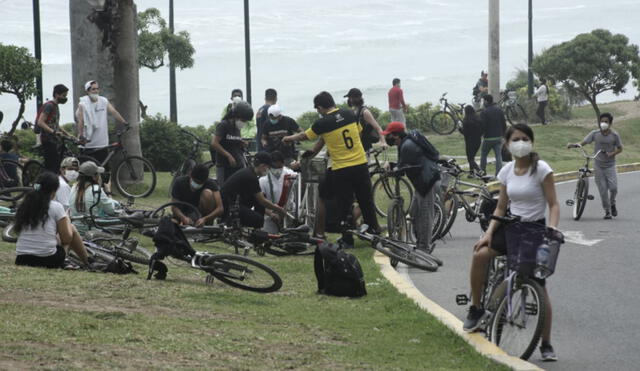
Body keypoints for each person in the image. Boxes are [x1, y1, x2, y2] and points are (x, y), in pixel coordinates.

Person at [463, 123, 560, 362]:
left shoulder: (542, 170)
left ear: (532, 142)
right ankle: (476, 308)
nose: (520, 142)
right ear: (507, 145)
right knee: (479, 255)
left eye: (525, 138)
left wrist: (552, 229)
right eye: (516, 139)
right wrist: (488, 233)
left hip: (534, 230)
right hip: (510, 227)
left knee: (539, 284)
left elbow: (553, 204)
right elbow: (501, 205)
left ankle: (546, 343)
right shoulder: (506, 171)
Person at [283, 91, 380, 248]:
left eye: (318, 109)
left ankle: (347, 239)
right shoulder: (350, 114)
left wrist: (288, 138)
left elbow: (305, 136)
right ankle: (374, 232)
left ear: (321, 107)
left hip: (342, 168)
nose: (318, 112)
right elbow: (358, 131)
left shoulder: (322, 123)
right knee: (366, 199)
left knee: (344, 204)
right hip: (361, 164)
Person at [382, 121, 441, 252]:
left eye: (389, 135)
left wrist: (393, 169)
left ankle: (424, 248)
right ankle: (420, 240)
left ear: (396, 135)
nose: (387, 138)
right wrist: (391, 165)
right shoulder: (404, 143)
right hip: (422, 181)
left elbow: (402, 169)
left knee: (424, 215)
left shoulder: (407, 146)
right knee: (414, 213)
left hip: (427, 182)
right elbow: (403, 164)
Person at [14, 172, 89, 268]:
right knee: (71, 228)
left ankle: (86, 261)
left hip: (22, 259)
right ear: (54, 190)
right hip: (47, 260)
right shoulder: (55, 206)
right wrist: (67, 221)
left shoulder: (24, 205)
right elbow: (66, 239)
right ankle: (87, 262)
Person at [567, 112, 623, 219]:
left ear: (610, 123)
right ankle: (607, 211)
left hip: (610, 165)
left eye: (606, 122)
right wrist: (574, 145)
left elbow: (620, 148)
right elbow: (584, 142)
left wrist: (612, 153)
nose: (603, 123)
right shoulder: (595, 133)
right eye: (602, 121)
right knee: (603, 190)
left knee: (613, 188)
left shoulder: (614, 135)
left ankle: (612, 203)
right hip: (598, 166)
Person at [76, 80, 128, 189]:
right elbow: (80, 121)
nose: (96, 91)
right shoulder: (83, 104)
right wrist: (81, 135)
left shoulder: (103, 101)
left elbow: (113, 112)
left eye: (97, 88)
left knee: (104, 170)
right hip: (88, 143)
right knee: (87, 171)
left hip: (102, 142)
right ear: (87, 91)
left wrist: (124, 122)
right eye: (93, 89)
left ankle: (105, 191)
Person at [220, 151, 286, 228]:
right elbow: (262, 200)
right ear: (263, 166)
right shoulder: (251, 177)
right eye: (268, 167)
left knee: (258, 204)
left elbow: (258, 201)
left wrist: (271, 213)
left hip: (233, 204)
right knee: (258, 219)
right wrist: (279, 209)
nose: (269, 170)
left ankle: (257, 231)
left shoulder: (249, 172)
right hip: (228, 207)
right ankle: (254, 234)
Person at [210, 100, 253, 184]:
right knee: (225, 192)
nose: (243, 123)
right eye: (243, 120)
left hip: (237, 165)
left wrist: (241, 143)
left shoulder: (237, 127)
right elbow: (214, 143)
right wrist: (228, 156)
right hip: (225, 166)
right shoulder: (223, 125)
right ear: (236, 116)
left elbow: (232, 141)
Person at [69, 162, 120, 230]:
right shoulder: (96, 190)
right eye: (98, 174)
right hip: (92, 228)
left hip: (75, 227)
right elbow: (110, 210)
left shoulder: (74, 187)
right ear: (94, 176)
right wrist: (108, 191)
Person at [37, 84, 74, 173]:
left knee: (56, 165)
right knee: (52, 167)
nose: (65, 98)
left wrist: (67, 134)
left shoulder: (55, 106)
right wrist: (53, 132)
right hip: (48, 140)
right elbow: (40, 122)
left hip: (54, 140)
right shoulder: (49, 106)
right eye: (63, 95)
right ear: (57, 94)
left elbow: (55, 124)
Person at [258, 151, 297, 232]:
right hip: (271, 215)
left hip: (288, 213)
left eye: (280, 167)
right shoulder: (262, 179)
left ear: (283, 164)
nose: (277, 170)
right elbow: (259, 202)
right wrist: (271, 214)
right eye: (274, 167)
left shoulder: (290, 174)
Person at [344, 88, 384, 152]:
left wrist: (383, 141)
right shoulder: (354, 110)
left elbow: (378, 127)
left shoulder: (364, 112)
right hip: (357, 145)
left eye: (350, 98)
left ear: (355, 98)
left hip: (365, 146)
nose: (349, 100)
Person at [479, 94, 507, 177]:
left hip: (488, 138)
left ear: (486, 101)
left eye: (483, 101)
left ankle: (483, 171)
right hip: (498, 137)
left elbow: (482, 125)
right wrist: (503, 134)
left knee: (484, 154)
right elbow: (503, 124)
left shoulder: (484, 112)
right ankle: (498, 173)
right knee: (498, 155)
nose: (483, 103)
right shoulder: (499, 110)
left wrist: (480, 134)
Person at [461, 105, 483, 175]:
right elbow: (482, 130)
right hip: (478, 141)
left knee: (470, 159)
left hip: (469, 142)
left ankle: (479, 170)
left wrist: (459, 129)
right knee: (472, 158)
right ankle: (471, 173)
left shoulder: (466, 121)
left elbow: (465, 133)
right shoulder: (478, 119)